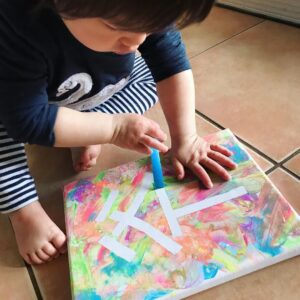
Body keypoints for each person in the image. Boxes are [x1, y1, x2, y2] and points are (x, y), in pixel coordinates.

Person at [0, 0, 236, 265]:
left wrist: (186, 138)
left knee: (149, 80)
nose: (136, 42)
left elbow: (171, 64)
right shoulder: (16, 25)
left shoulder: (140, 13)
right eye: (116, 26)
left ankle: (81, 127)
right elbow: (26, 121)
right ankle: (23, 210)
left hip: (82, 88)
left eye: (151, 28)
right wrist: (112, 128)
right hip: (14, 101)